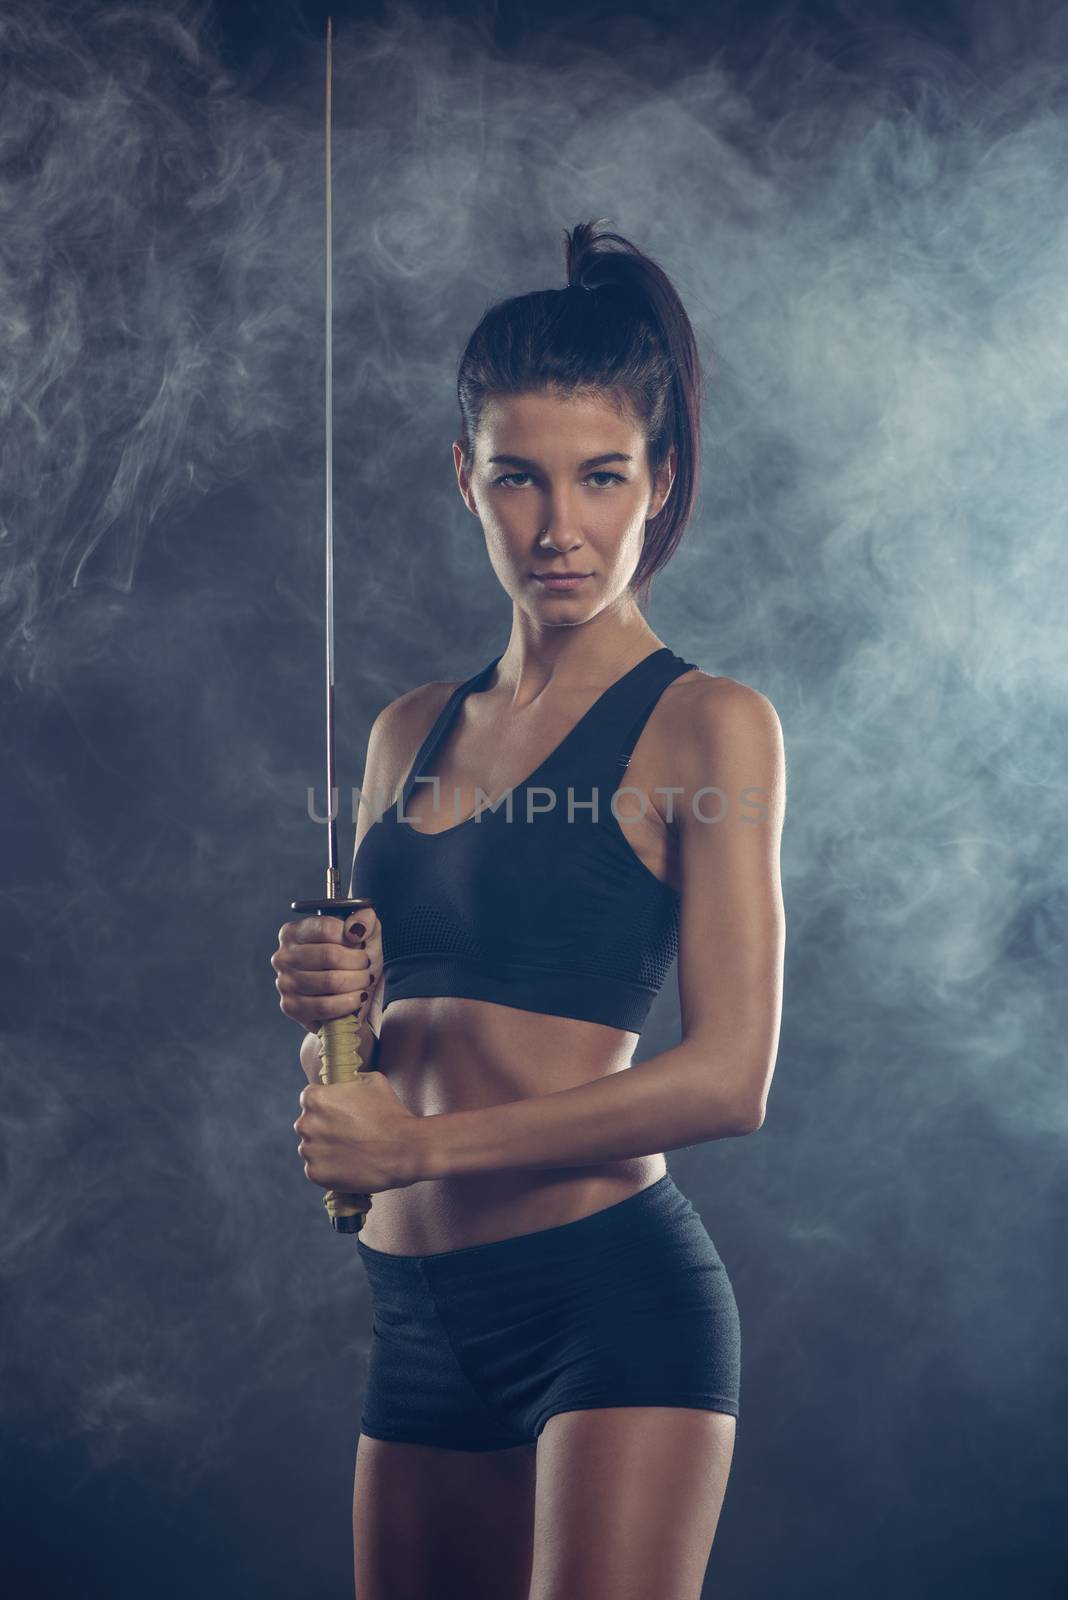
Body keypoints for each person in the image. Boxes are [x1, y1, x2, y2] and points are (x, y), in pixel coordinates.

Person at [271, 219, 786, 1600]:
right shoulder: (405, 732)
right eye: (518, 479)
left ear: (658, 481)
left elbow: (732, 1081)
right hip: (417, 1315)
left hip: (607, 1305)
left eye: (602, 477)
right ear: (465, 477)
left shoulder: (707, 726)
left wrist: (421, 1154)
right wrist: (331, 1022)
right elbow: (370, 1087)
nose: (560, 529)